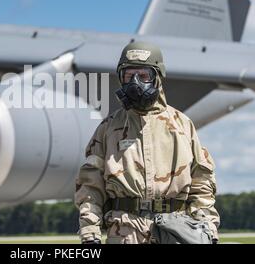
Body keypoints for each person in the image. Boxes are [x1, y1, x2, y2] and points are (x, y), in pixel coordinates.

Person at [74, 41, 220, 244]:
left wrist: (208, 229)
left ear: (157, 77)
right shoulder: (108, 128)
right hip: (125, 230)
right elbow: (90, 186)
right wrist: (90, 233)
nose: (135, 83)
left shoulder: (182, 125)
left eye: (143, 76)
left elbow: (201, 181)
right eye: (128, 76)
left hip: (175, 230)